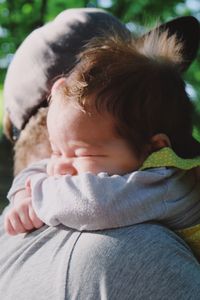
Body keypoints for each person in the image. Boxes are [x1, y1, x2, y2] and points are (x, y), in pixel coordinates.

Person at [1, 8, 200, 300]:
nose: (59, 168)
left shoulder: (9, 242)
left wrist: (32, 196)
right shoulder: (136, 253)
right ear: (57, 105)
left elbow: (95, 200)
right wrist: (28, 194)